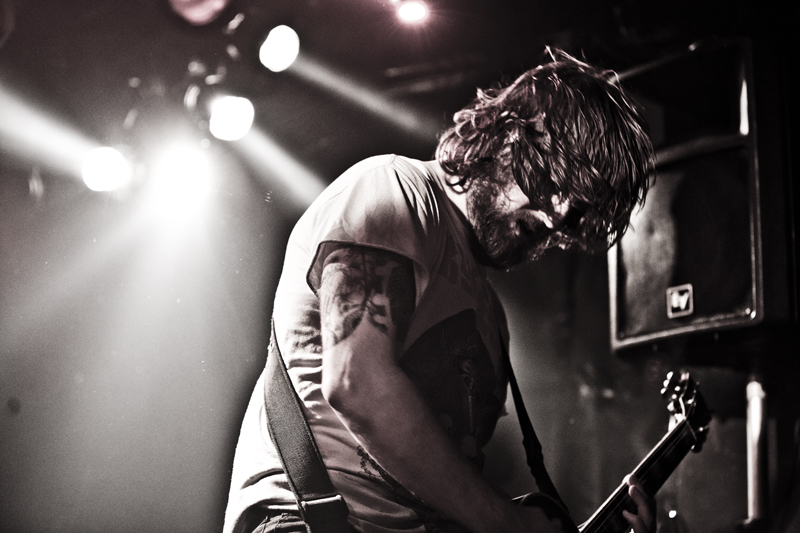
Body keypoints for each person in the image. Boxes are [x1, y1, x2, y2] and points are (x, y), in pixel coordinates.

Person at [223, 49, 657, 533]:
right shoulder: (394, 190)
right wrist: (507, 522)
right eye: (552, 180)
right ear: (509, 135)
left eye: (577, 209)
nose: (557, 216)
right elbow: (355, 383)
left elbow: (453, 489)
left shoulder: (492, 318)